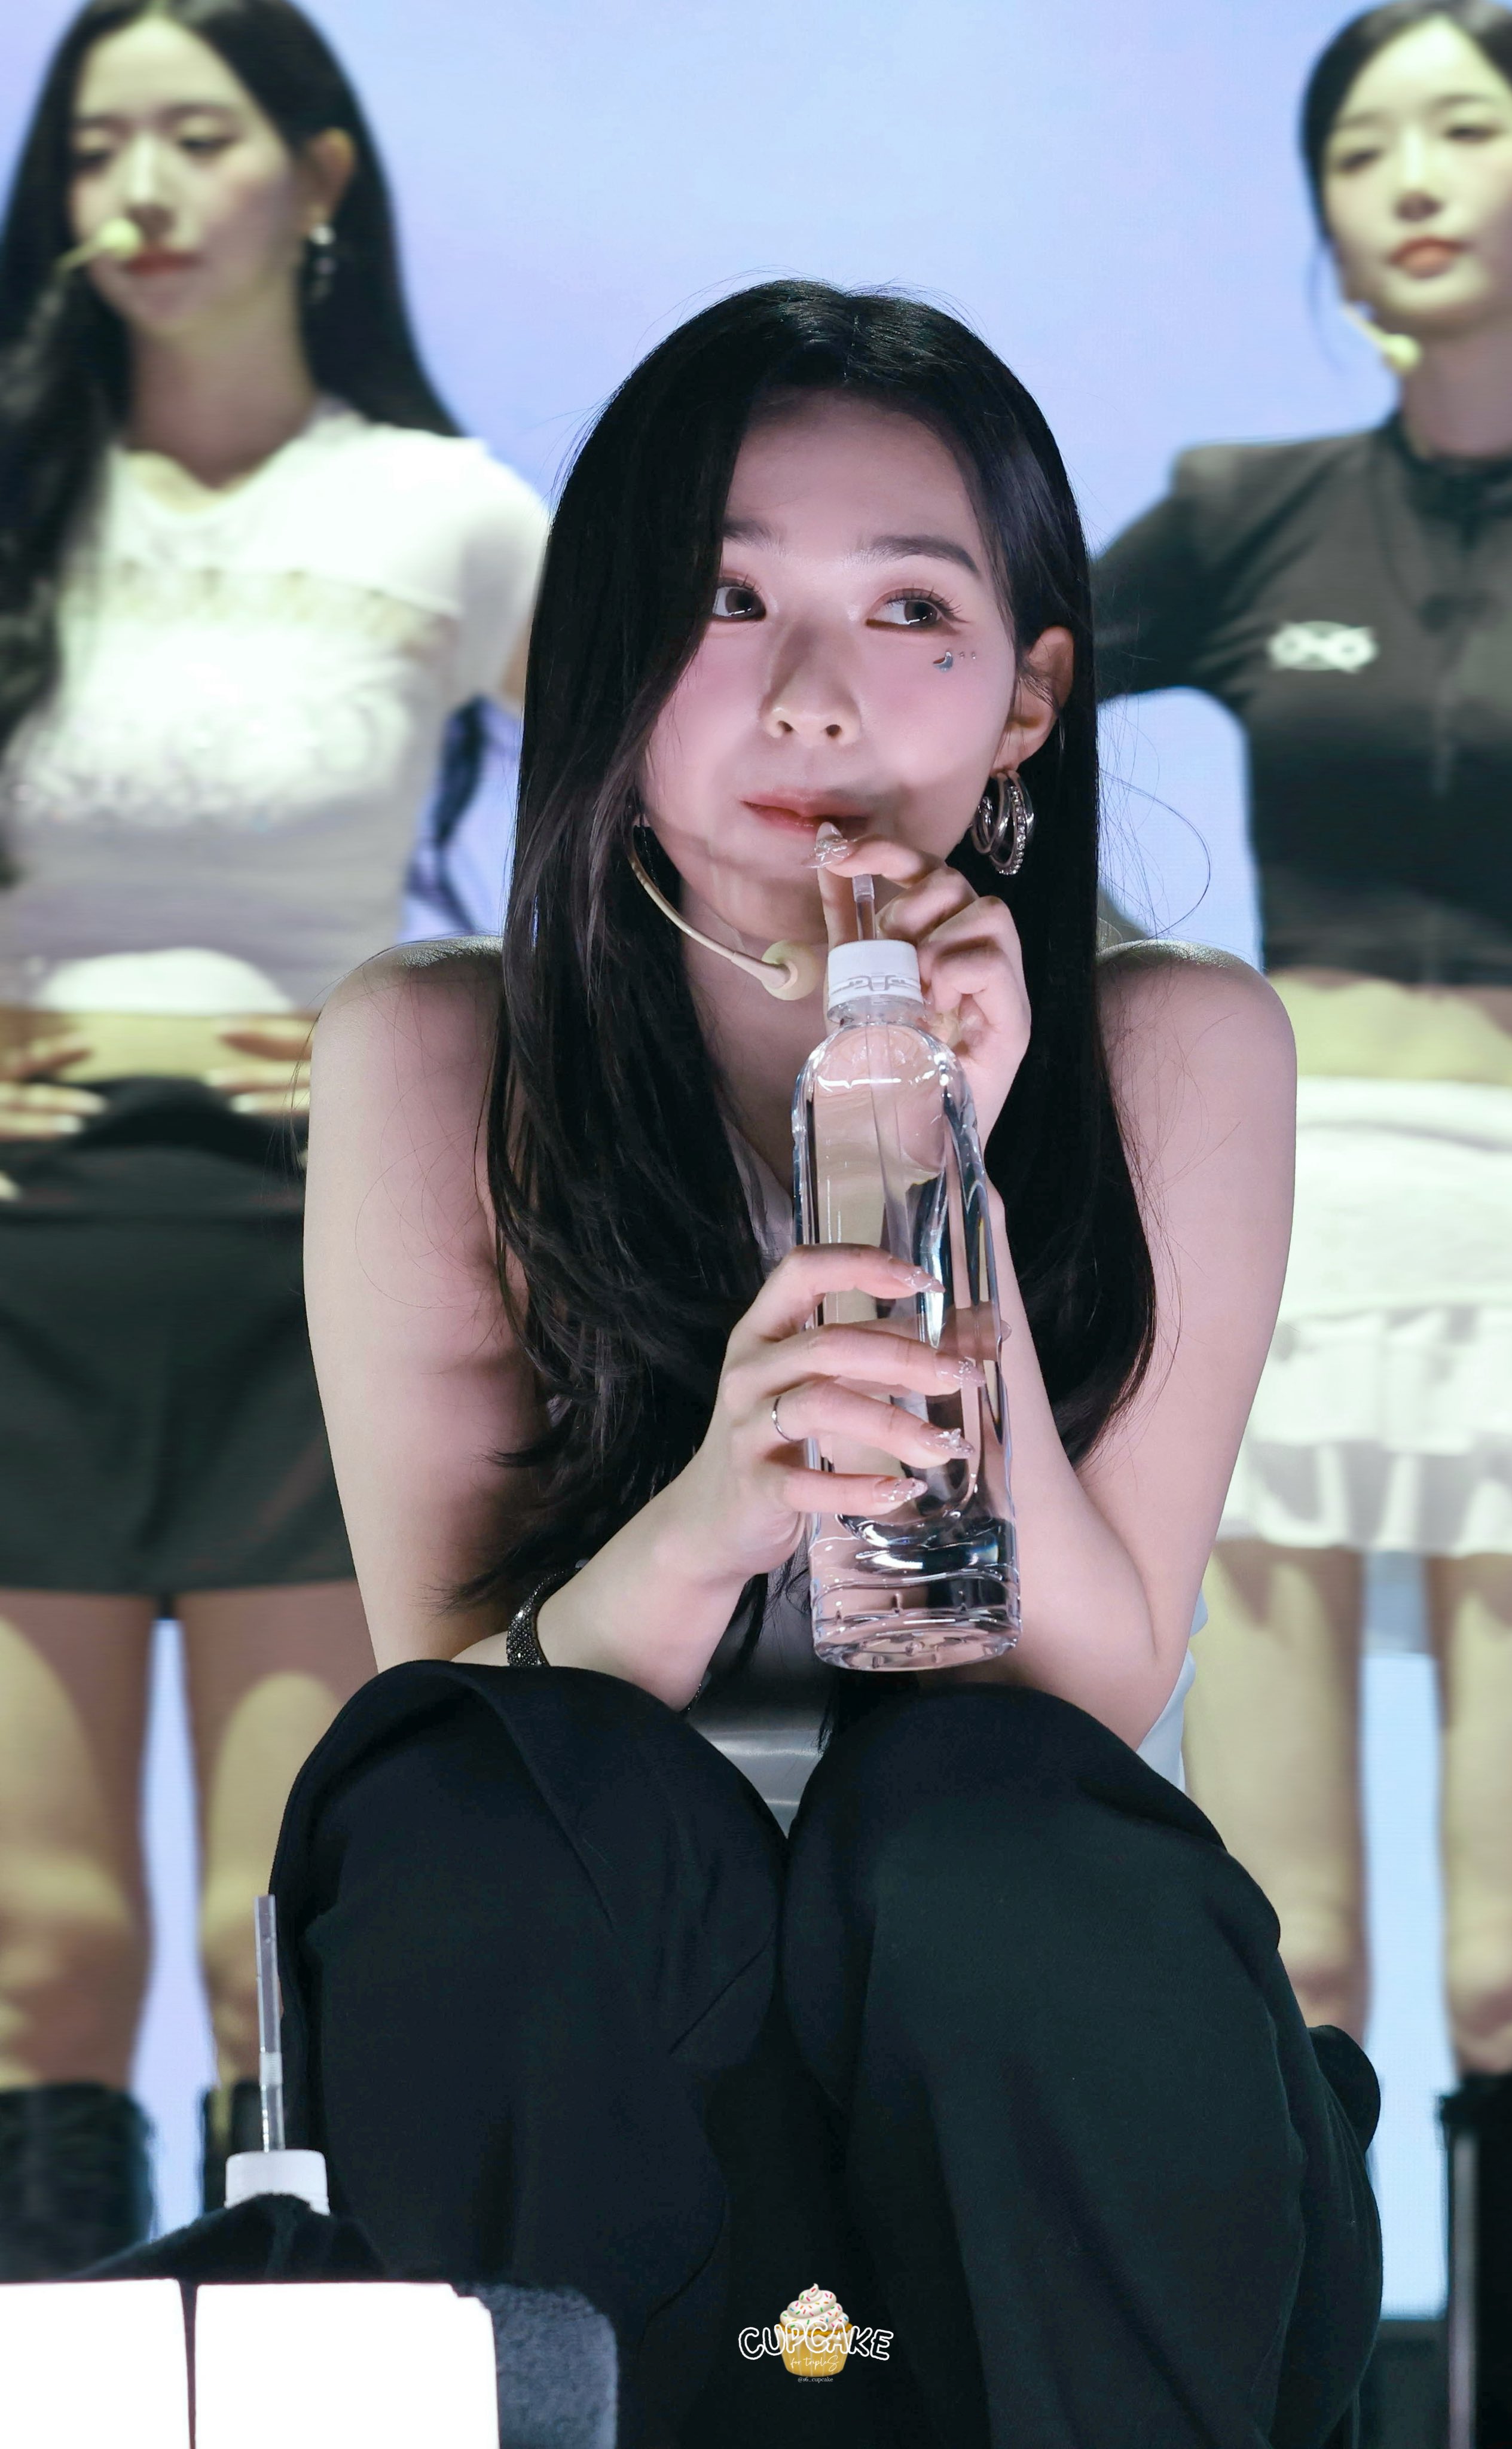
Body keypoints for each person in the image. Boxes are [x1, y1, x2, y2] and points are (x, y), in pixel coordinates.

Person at [272, 279, 1380, 2449]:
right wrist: (717, 1506)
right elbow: (466, 1697)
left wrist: (937, 1162)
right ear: (598, 650)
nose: (811, 697)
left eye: (909, 611)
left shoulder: (1175, 1049)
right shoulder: (435, 1053)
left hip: (1019, 2036)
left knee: (976, 1819)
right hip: (592, 1987)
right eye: (724, 599)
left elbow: (1086, 1683)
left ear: (1027, 696)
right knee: (480, 1817)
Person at [1094, 0, 1512, 2415]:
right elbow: (981, 708)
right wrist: (1080, 1023)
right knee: (1279, 1939)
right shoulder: (1242, 505)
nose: (1403, 178)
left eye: (1460, 128)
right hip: (1280, 1242)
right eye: (1353, 146)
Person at [0, 0, 545, 2273]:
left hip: (321, 1261)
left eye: (195, 136)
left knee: (281, 1937)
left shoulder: (446, 506)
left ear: (317, 176)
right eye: (93, 142)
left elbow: (659, 827)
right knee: (34, 1956)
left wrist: (455, 1057)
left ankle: (296, 2393)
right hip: (25, 1259)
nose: (137, 188)